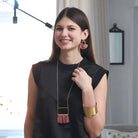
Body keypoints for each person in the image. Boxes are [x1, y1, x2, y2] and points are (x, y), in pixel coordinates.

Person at [24, 7, 109, 138]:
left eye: (71, 28)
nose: (63, 34)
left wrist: (87, 89)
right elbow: (30, 118)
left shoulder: (97, 73)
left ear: (84, 34)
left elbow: (95, 131)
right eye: (59, 28)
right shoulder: (38, 70)